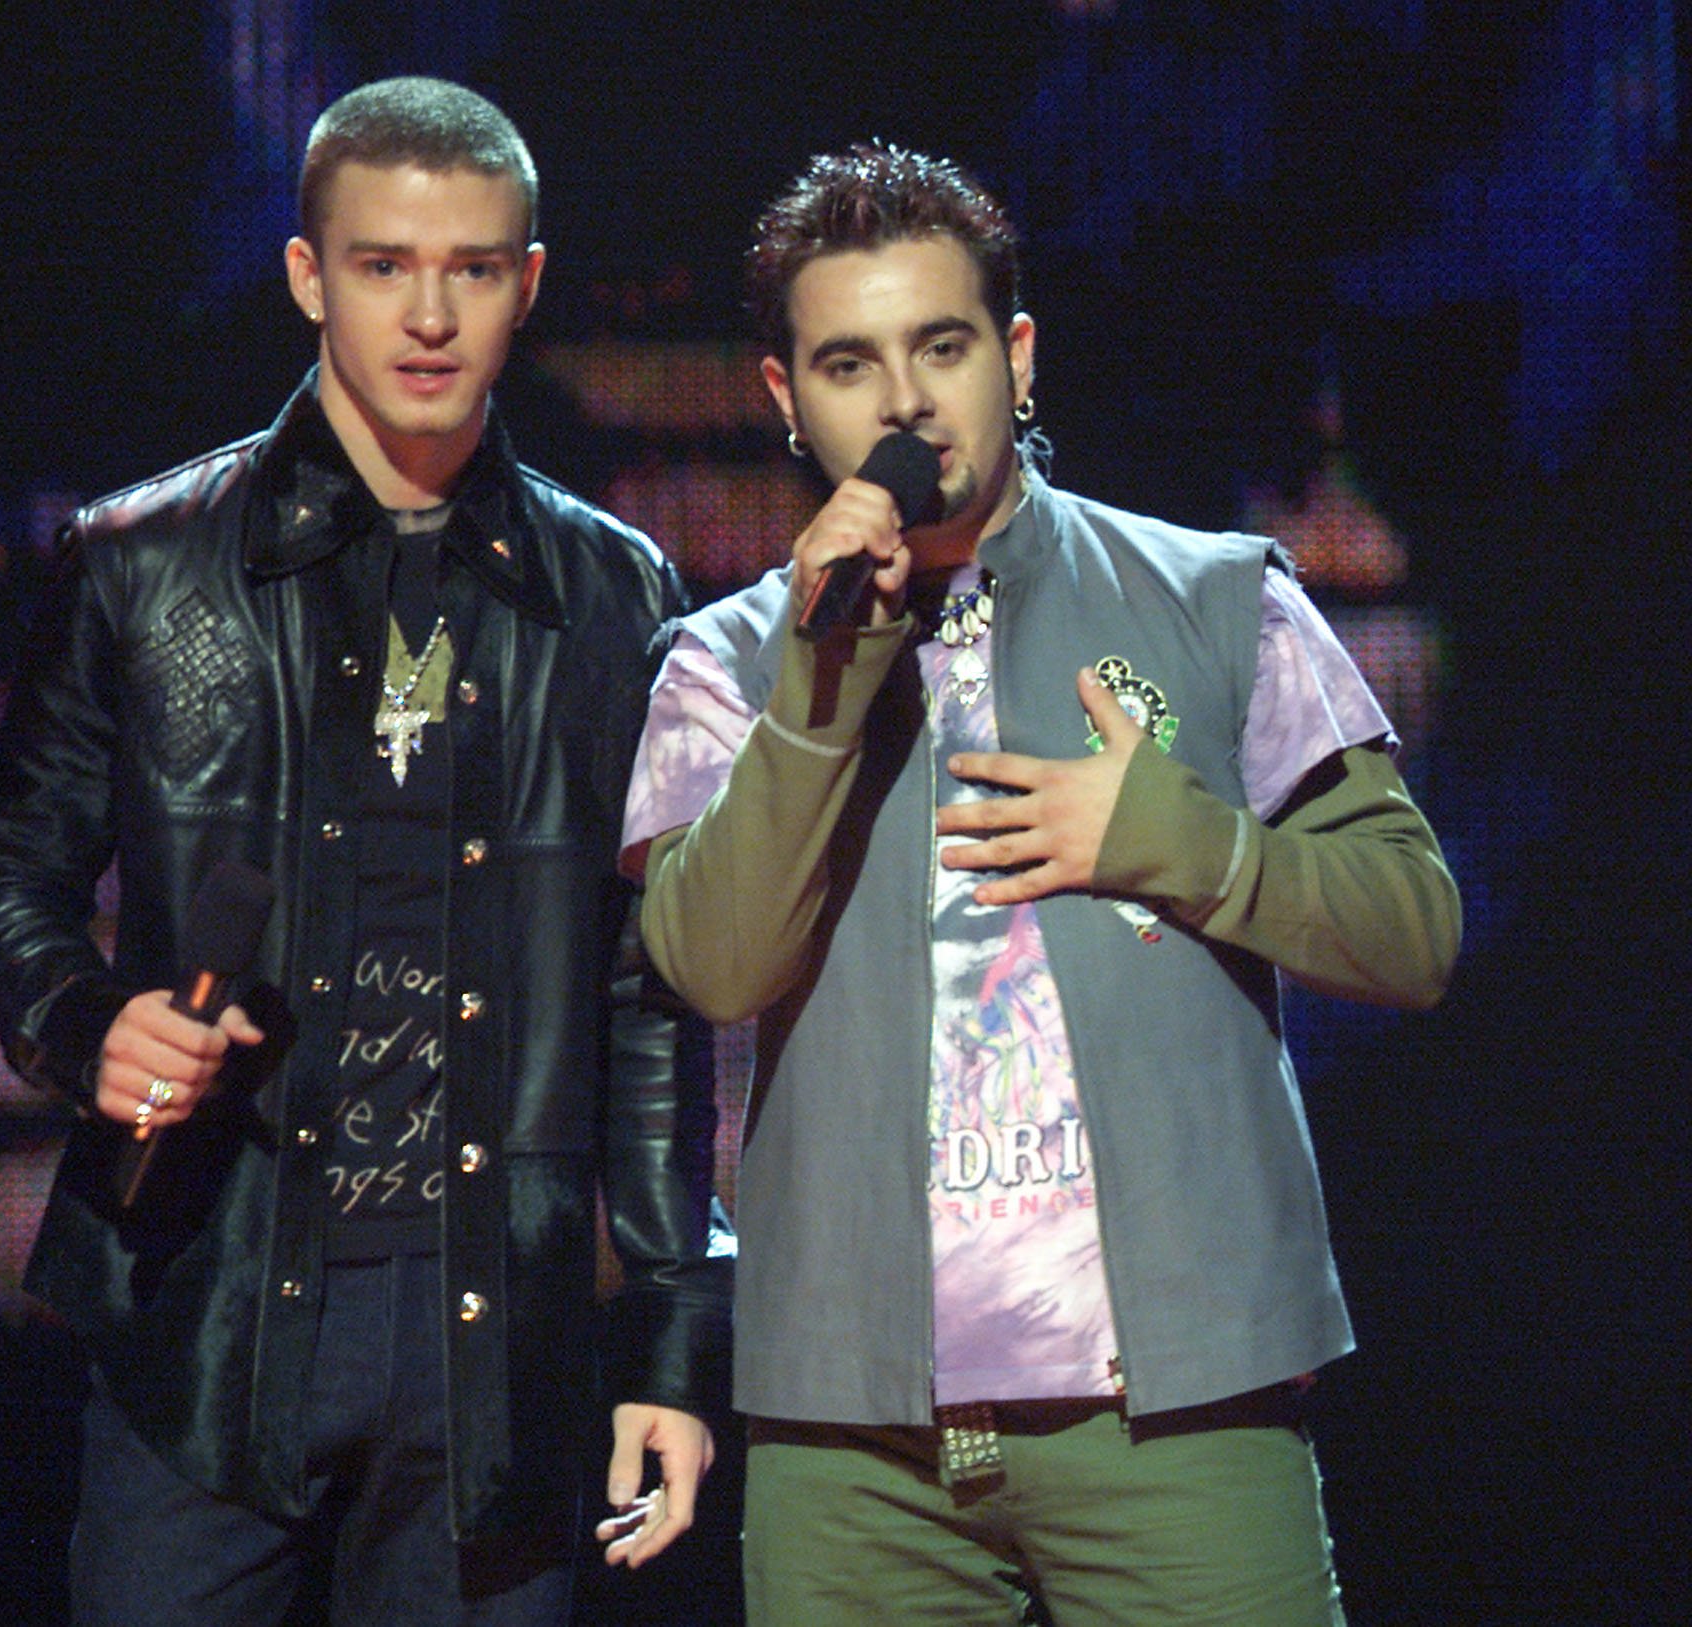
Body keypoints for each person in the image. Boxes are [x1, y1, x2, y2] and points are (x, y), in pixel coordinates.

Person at [621, 143, 1461, 1625]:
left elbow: (1414, 931)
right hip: (851, 1437)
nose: (903, 402)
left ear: (1015, 359)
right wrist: (819, 684)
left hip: (1180, 1410)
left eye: (941, 347)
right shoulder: (726, 666)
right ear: (784, 398)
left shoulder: (1220, 599)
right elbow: (714, 964)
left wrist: (1191, 843)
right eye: (849, 363)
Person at [0, 76, 729, 1625]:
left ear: (528, 284)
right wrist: (83, 1020)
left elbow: (646, 988)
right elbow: (4, 867)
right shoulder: (144, 565)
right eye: (384, 266)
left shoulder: (616, 594)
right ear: (309, 275)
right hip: (205, 1314)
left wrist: (669, 1332)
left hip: (490, 1347)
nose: (430, 317)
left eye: (473, 269)